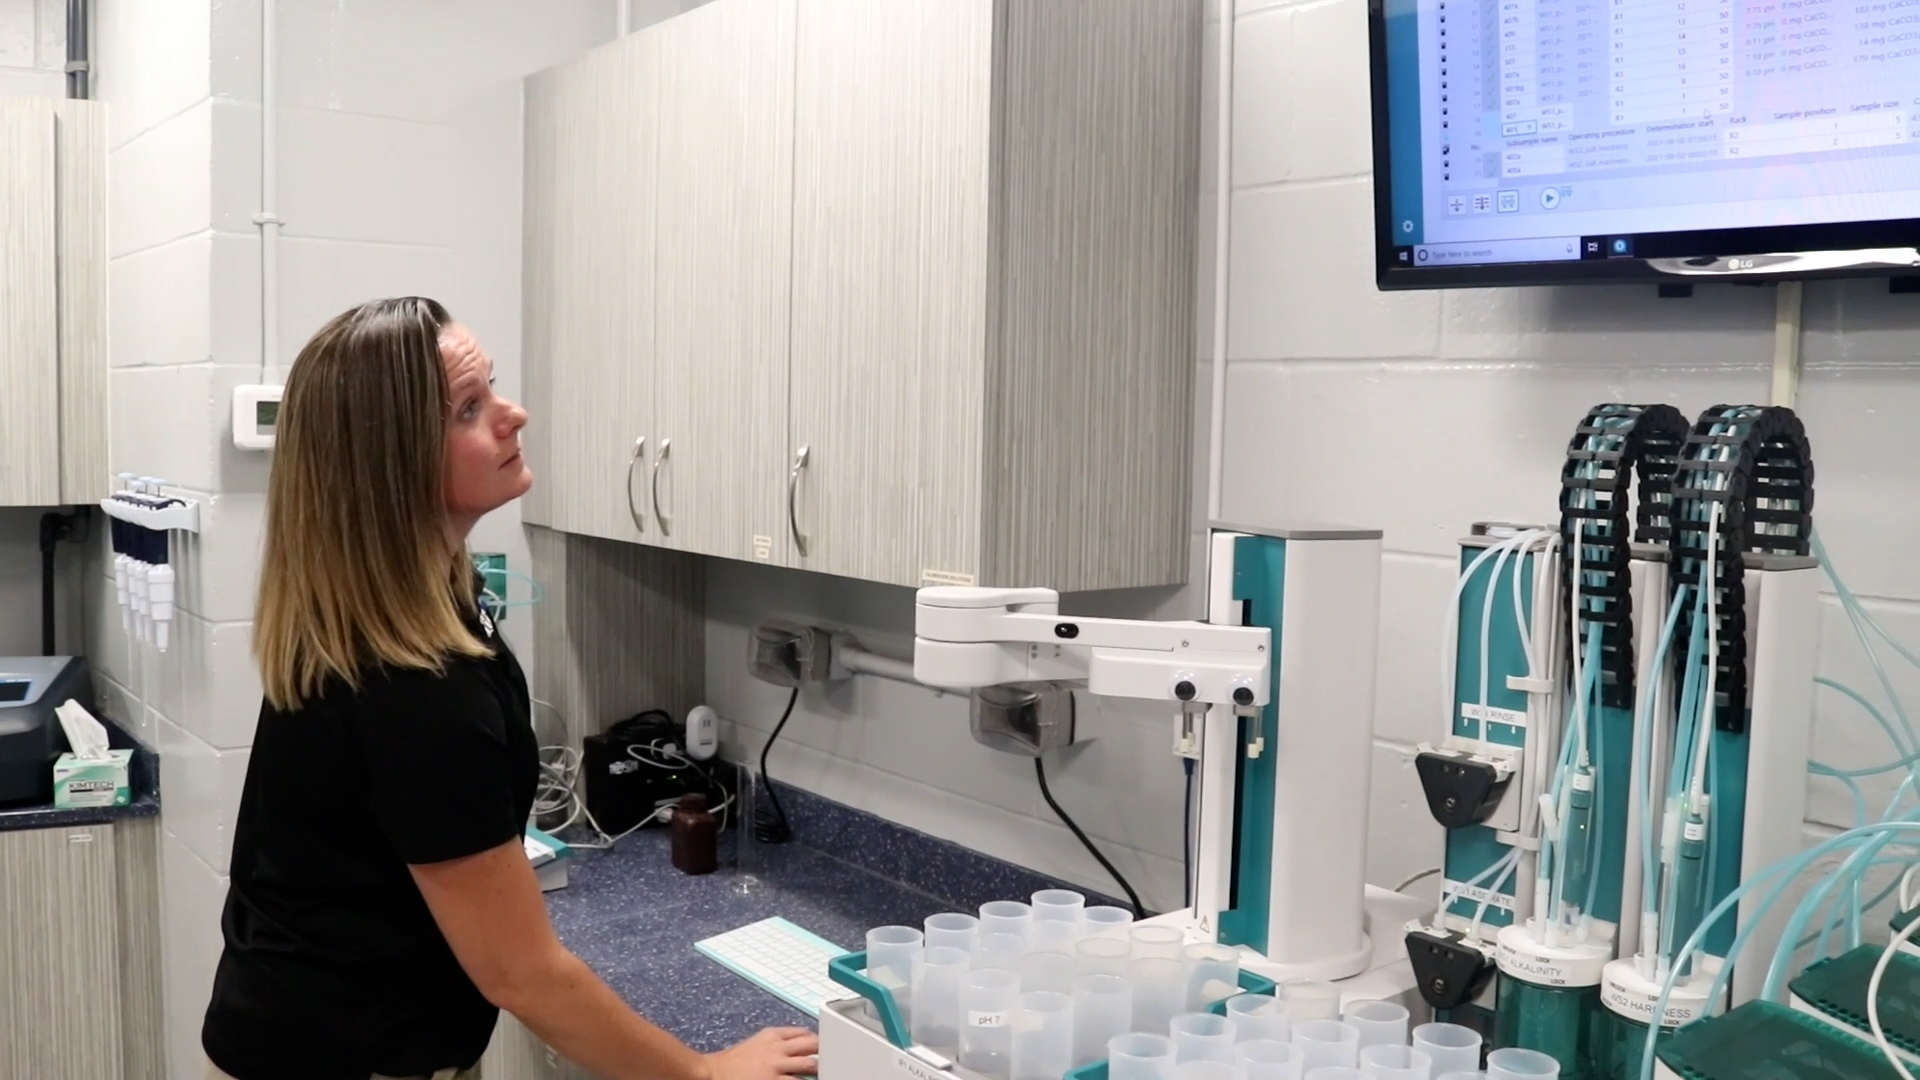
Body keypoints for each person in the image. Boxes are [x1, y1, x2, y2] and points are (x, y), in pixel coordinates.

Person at [201, 297, 819, 1080]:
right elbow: (521, 972)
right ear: (392, 464)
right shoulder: (414, 686)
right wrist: (700, 1072)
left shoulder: (383, 610)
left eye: (491, 388)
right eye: (469, 408)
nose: (512, 414)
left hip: (293, 1027)